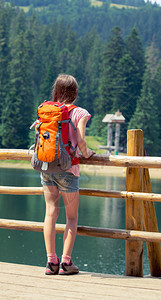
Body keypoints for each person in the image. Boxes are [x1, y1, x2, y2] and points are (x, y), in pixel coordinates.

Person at [41, 74, 95, 275]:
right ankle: (65, 263)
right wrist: (88, 153)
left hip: (47, 166)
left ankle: (50, 262)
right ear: (75, 92)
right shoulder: (79, 112)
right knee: (71, 218)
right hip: (68, 169)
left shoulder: (47, 109)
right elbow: (80, 141)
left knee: (50, 212)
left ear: (56, 90)